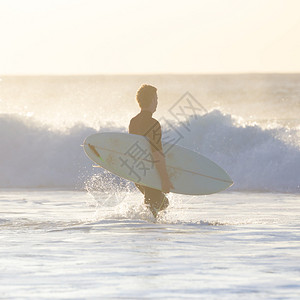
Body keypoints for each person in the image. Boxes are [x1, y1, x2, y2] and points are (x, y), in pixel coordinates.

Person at [129, 84, 174, 218]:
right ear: (153, 100)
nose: (157, 102)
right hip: (150, 172)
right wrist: (165, 179)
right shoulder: (154, 124)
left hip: (137, 173)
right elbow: (156, 153)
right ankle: (148, 229)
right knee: (158, 204)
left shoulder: (133, 121)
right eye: (157, 98)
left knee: (158, 203)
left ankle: (145, 225)